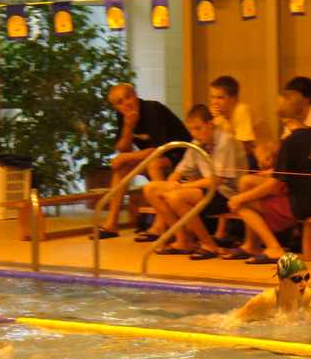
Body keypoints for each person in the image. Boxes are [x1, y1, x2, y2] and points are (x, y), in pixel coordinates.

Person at [228, 91, 311, 265]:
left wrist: (240, 198)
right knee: (247, 181)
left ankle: (274, 248)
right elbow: (300, 168)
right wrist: (263, 175)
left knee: (241, 205)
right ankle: (251, 244)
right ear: (304, 112)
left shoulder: (291, 141)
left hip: (304, 202)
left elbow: (274, 185)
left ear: (281, 116)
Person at [142, 104, 246, 260]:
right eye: (191, 129)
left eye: (198, 128)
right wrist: (171, 183)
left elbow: (217, 180)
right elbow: (180, 171)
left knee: (176, 197)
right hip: (206, 190)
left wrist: (182, 186)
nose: (195, 134)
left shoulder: (225, 140)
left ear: (210, 124)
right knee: (151, 189)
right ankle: (183, 240)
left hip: (227, 193)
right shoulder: (196, 143)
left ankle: (209, 244)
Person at [96, 83, 191, 240]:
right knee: (123, 167)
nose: (126, 103)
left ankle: (160, 225)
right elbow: (123, 148)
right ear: (116, 107)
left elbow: (158, 149)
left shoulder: (153, 110)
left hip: (181, 157)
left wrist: (125, 157)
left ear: (135, 95)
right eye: (120, 102)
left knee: (153, 164)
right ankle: (112, 224)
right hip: (155, 157)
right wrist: (128, 127)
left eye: (128, 97)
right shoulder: (123, 116)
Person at [233, 253, 311, 322]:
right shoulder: (266, 301)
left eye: (306, 277)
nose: (304, 283)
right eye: (297, 279)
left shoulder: (307, 296)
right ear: (282, 281)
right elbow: (235, 320)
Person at [209, 75, 257, 159]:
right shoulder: (218, 116)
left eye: (220, 98)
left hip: (256, 160)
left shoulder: (242, 110)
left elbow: (245, 149)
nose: (214, 102)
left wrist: (223, 123)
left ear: (234, 98)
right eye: (212, 97)